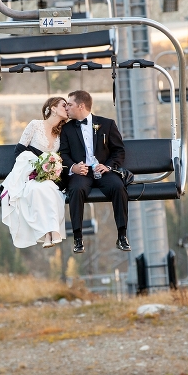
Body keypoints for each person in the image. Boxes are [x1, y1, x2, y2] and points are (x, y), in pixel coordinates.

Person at [59, 90, 130, 254]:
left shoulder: (107, 124)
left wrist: (109, 166)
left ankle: (122, 235)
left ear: (81, 106)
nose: (67, 108)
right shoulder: (67, 129)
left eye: (69, 104)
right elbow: (63, 153)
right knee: (75, 189)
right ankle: (78, 238)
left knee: (118, 187)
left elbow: (119, 151)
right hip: (81, 173)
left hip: (103, 171)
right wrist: (73, 167)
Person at [1, 97, 69, 249]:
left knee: (49, 189)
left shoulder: (62, 132)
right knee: (37, 189)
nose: (67, 108)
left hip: (49, 176)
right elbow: (19, 151)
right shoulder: (35, 125)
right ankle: (47, 234)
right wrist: (36, 166)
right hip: (29, 173)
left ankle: (50, 233)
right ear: (53, 108)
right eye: (63, 105)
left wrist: (52, 168)